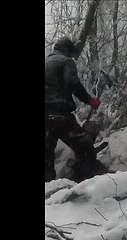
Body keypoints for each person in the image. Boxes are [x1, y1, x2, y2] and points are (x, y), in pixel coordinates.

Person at [45, 37, 107, 182]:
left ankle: (49, 193)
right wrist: (90, 100)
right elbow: (73, 83)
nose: (72, 57)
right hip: (60, 114)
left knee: (46, 157)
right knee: (84, 143)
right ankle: (91, 180)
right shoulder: (66, 61)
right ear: (67, 50)